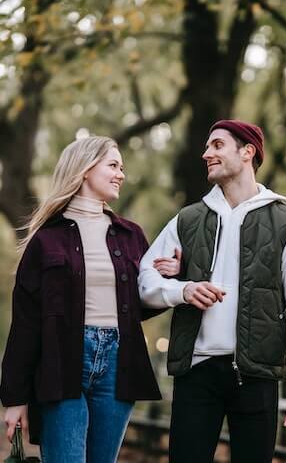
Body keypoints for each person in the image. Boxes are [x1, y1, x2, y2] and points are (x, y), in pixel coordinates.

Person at [139, 119, 286, 463]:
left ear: (247, 152)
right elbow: (143, 283)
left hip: (257, 376)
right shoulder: (187, 220)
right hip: (196, 373)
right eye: (207, 146)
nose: (207, 153)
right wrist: (183, 289)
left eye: (217, 145)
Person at [0, 136, 165, 463]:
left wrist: (168, 276)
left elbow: (142, 305)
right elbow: (26, 323)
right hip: (62, 363)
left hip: (119, 364)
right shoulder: (46, 240)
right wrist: (15, 398)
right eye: (113, 165)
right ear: (86, 169)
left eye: (122, 167)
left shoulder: (131, 235)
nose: (121, 174)